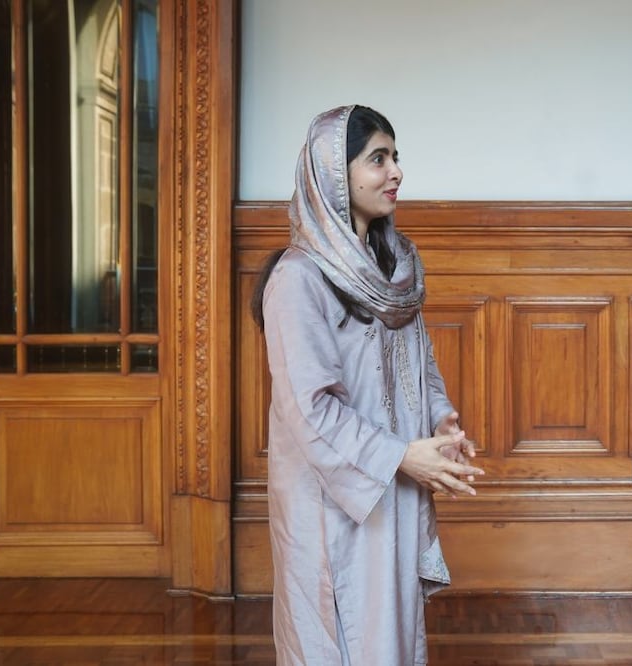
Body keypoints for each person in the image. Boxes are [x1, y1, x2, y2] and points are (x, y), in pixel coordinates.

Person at [251, 105, 484, 665]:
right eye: (377, 158)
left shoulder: (398, 265)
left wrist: (439, 423)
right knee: (337, 637)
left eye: (395, 157)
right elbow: (310, 412)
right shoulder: (298, 279)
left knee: (393, 636)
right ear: (335, 173)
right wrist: (402, 455)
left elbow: (420, 362)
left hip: (395, 485)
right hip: (334, 503)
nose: (395, 171)